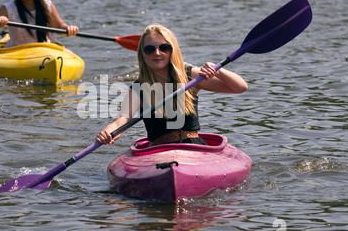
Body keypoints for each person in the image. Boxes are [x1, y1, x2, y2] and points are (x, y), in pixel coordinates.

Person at [96, 24, 248, 146]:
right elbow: (121, 120)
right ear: (143, 54)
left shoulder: (191, 77)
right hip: (158, 151)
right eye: (150, 49)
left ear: (172, 51)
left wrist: (219, 71)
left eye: (164, 48)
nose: (157, 53)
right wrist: (107, 133)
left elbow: (240, 87)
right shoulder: (138, 89)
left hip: (193, 147)